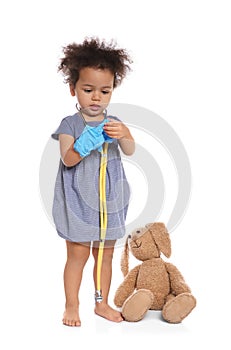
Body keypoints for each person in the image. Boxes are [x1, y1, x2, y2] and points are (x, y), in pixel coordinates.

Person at [51, 37, 135, 326]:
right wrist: (84, 143)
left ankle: (102, 303)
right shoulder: (69, 125)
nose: (96, 97)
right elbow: (68, 159)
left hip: (109, 201)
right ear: (74, 89)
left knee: (105, 257)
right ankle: (71, 305)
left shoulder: (114, 122)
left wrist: (124, 134)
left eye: (104, 91)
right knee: (78, 255)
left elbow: (130, 150)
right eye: (88, 90)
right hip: (78, 201)